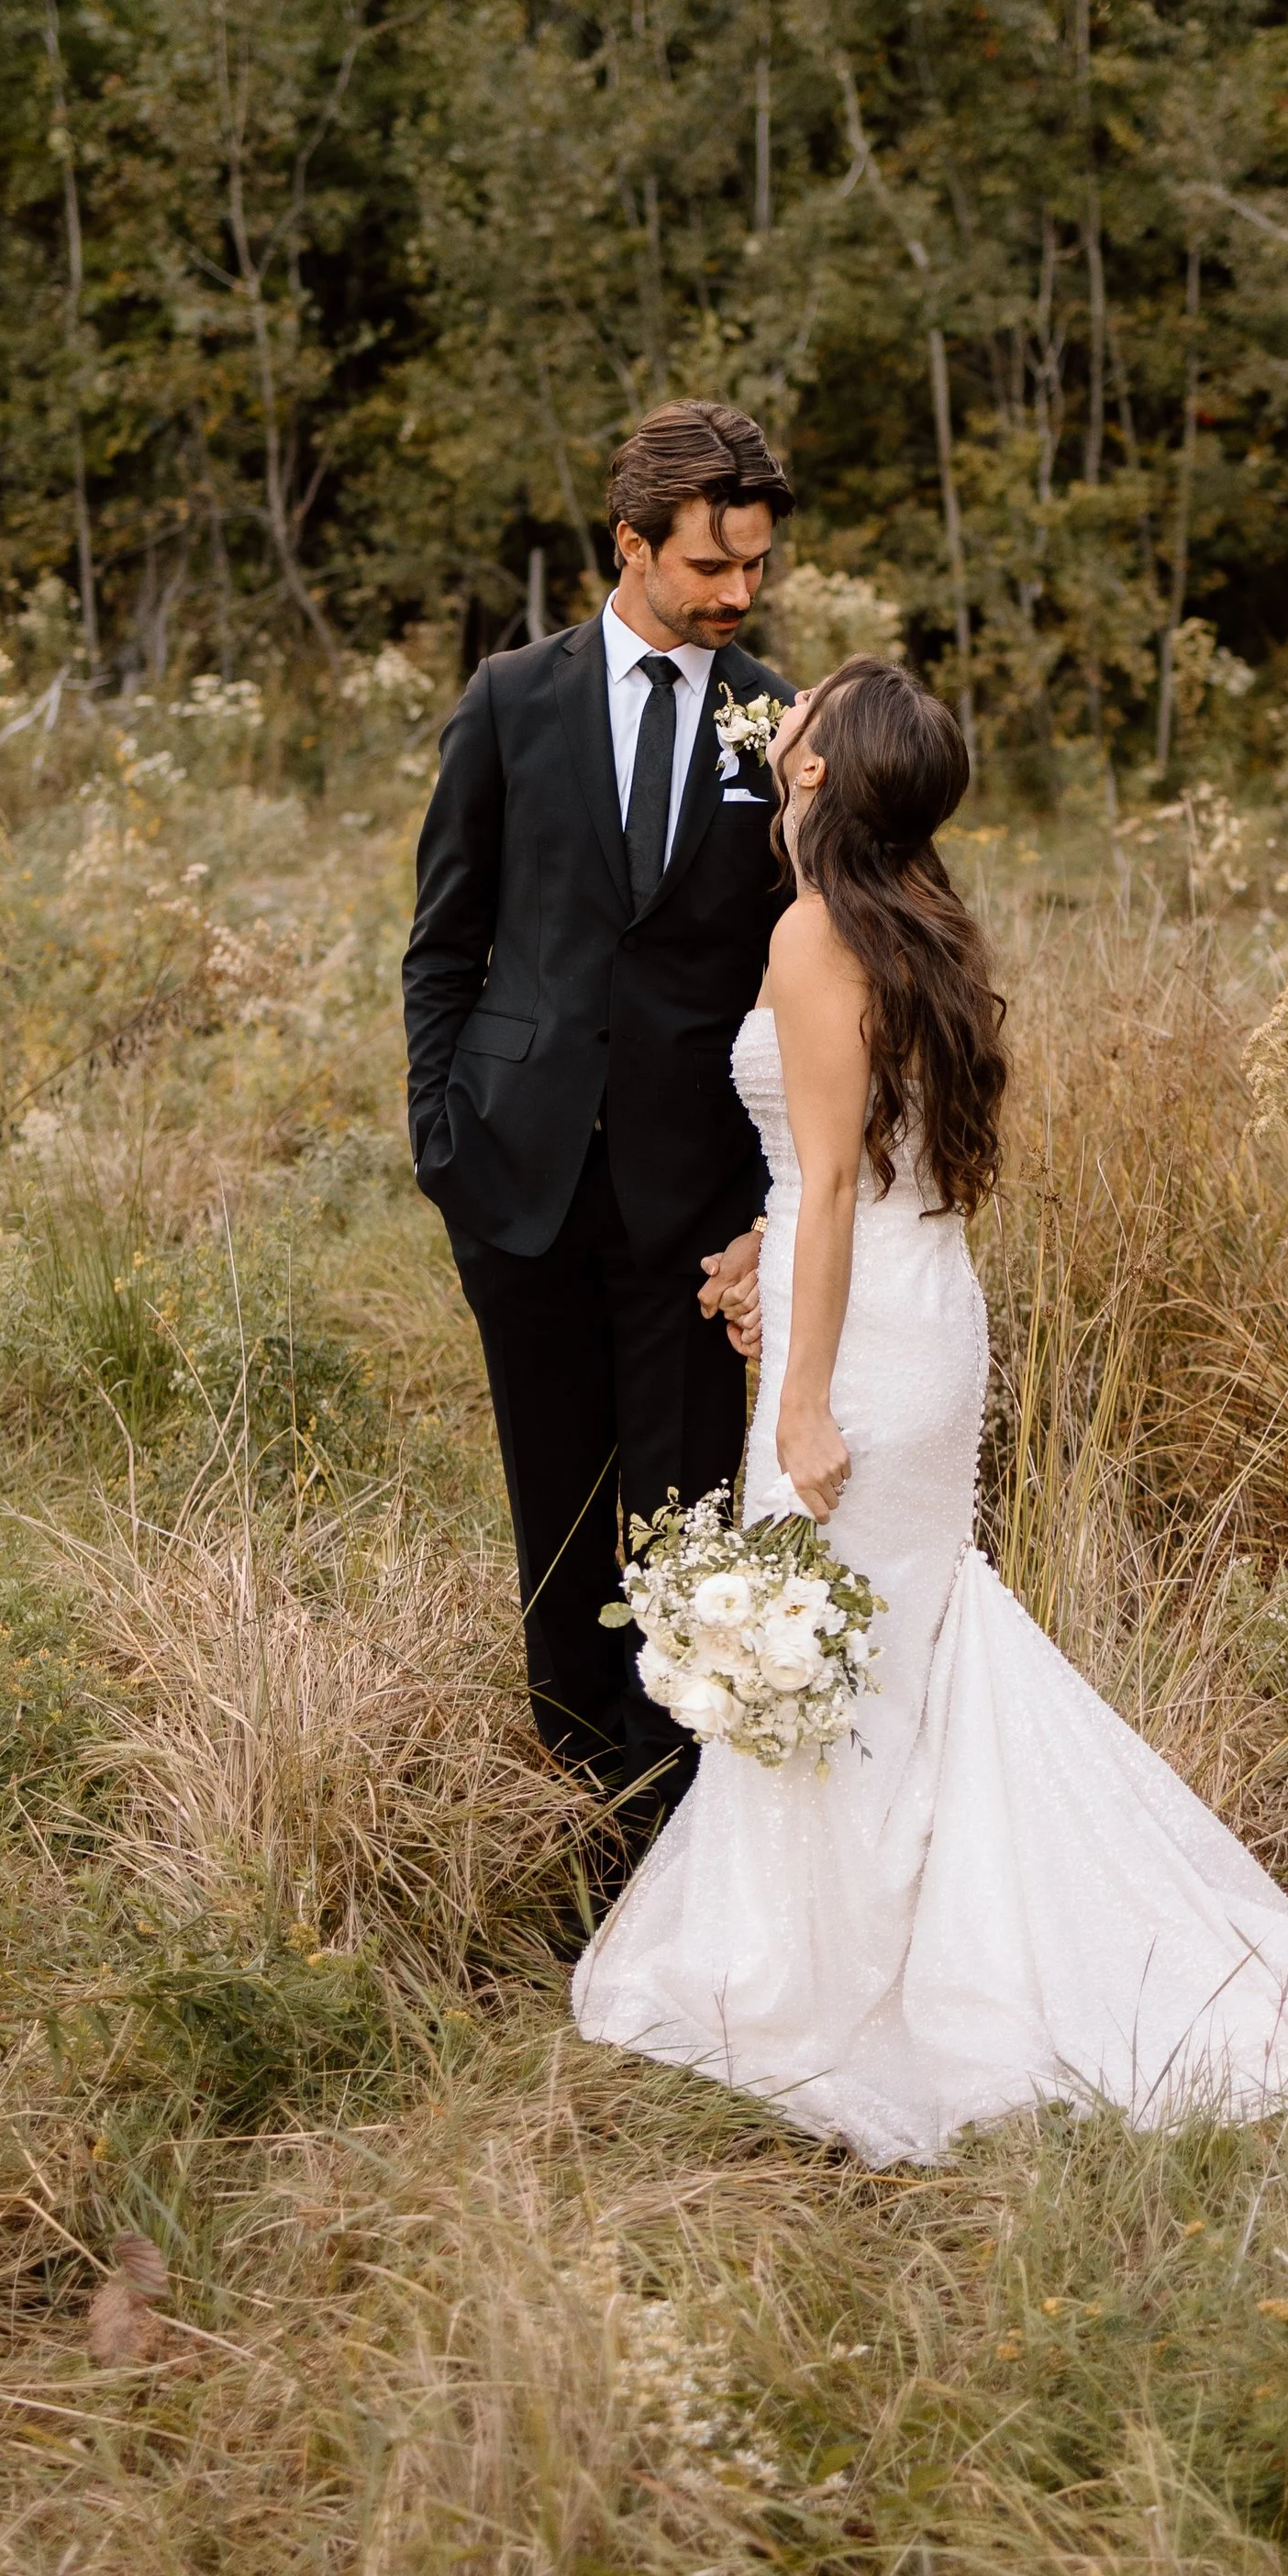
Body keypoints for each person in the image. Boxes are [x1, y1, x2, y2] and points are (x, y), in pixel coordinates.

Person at [573, 656, 1288, 2162]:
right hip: (914, 1300)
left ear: (819, 772)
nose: (784, 727)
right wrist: (765, 1245)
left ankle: (833, 1972)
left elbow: (834, 1177)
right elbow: (869, 1161)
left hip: (869, 1338)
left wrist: (807, 1391)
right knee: (891, 1635)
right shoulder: (915, 922)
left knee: (837, 1640)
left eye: (802, 719)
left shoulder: (816, 927)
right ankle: (879, 1936)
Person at [403, 402, 794, 1814]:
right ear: (630, 545)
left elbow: (800, 976)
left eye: (753, 566)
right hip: (520, 1182)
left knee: (693, 1536)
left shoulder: (778, 720)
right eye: (709, 567)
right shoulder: (513, 699)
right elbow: (445, 941)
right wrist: (444, 1144)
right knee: (558, 1523)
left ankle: (687, 1827)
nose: (737, 594)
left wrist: (771, 1212)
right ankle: (580, 1820)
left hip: (698, 1211)